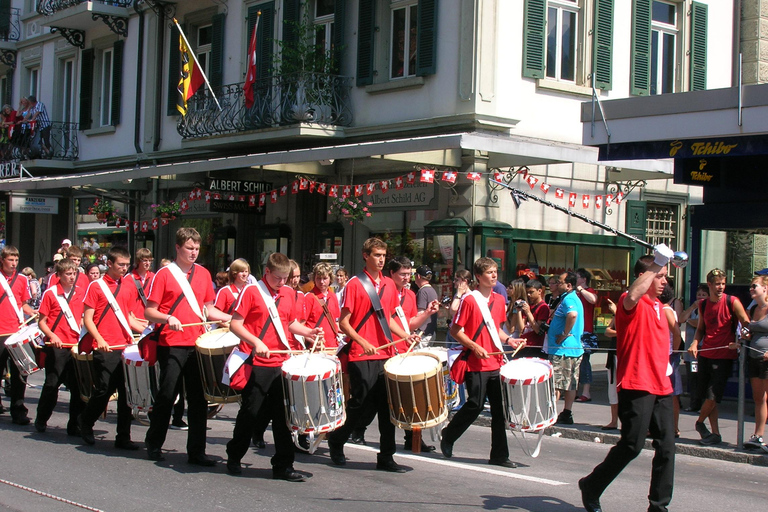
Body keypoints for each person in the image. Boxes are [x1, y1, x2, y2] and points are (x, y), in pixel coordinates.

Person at [579, 248, 676, 512]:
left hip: (662, 385)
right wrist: (657, 262)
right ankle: (592, 484)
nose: (664, 281)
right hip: (637, 382)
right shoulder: (629, 300)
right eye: (659, 276)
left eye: (665, 276)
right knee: (632, 445)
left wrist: (663, 262)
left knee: (667, 447)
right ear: (645, 276)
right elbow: (634, 294)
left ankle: (658, 507)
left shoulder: (659, 306)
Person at [225, 252, 323, 481]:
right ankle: (234, 454)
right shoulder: (251, 291)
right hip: (257, 362)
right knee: (250, 412)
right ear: (266, 272)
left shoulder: (289, 293)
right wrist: (256, 342)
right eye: (278, 277)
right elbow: (235, 324)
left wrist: (309, 332)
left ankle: (283, 465)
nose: (282, 282)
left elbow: (289, 323)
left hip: (282, 362)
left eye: (285, 278)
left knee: (284, 416)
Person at [327, 238, 420, 473]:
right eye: (376, 255)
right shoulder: (354, 284)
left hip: (386, 353)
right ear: (365, 255)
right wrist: (363, 342)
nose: (381, 259)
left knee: (387, 407)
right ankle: (336, 442)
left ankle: (386, 457)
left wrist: (406, 335)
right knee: (358, 404)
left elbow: (387, 318)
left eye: (383, 255)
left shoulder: (389, 285)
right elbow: (343, 323)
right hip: (361, 353)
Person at [143, 227, 232, 465]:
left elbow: (208, 308)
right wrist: (167, 318)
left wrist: (228, 318)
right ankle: (154, 443)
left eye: (196, 248)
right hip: (171, 344)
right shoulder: (163, 274)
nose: (193, 252)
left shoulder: (203, 274)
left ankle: (196, 451)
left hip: (197, 343)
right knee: (167, 395)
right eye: (189, 248)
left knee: (198, 399)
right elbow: (149, 310)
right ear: (178, 247)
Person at [440, 257, 523, 468]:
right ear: (478, 276)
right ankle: (449, 435)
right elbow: (455, 331)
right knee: (475, 404)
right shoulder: (470, 300)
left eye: (496, 271)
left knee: (499, 410)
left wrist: (510, 340)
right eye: (489, 272)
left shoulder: (498, 300)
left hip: (495, 362)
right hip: (476, 363)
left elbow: (497, 331)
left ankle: (499, 455)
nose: (494, 275)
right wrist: (475, 347)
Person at [77, 246, 145, 449]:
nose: (125, 268)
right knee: (104, 390)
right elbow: (87, 319)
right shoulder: (96, 286)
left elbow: (129, 317)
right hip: (104, 345)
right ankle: (86, 421)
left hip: (124, 344)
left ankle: (123, 437)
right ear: (109, 264)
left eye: (127, 265)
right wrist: (100, 339)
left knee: (126, 392)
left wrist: (147, 329)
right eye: (120, 265)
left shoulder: (130, 285)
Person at [688, 268, 749, 446]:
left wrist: (740, 340)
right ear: (709, 285)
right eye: (717, 284)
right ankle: (715, 433)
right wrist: (694, 343)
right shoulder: (703, 304)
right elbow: (701, 328)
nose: (721, 287)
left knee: (713, 396)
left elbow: (746, 324)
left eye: (723, 283)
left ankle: (699, 423)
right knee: (706, 395)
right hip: (706, 353)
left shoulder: (733, 301)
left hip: (724, 354)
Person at [387, 257, 439, 451]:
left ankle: (413, 438)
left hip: (403, 349)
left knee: (410, 396)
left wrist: (426, 313)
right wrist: (405, 336)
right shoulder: (385, 292)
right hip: (387, 347)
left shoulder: (410, 295)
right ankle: (358, 430)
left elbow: (409, 323)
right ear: (392, 274)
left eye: (409, 274)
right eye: (402, 274)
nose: (407, 278)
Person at [34, 259, 85, 435]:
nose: (72, 277)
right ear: (59, 275)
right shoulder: (50, 293)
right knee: (52, 383)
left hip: (75, 344)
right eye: (68, 274)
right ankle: (41, 419)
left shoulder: (81, 293)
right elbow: (41, 322)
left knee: (78, 387)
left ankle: (75, 424)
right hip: (57, 345)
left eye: (74, 274)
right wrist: (52, 335)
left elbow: (83, 318)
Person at [0, 246, 37, 423]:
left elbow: (22, 304)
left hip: (16, 331)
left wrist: (34, 312)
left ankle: (18, 409)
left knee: (21, 372)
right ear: (2, 260)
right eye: (10, 260)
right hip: (0, 332)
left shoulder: (22, 279)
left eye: (16, 260)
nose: (14, 264)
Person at [547, 271, 585, 425]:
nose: (558, 284)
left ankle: (552, 413)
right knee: (570, 383)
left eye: (560, 282)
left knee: (556, 382)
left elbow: (573, 315)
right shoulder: (571, 298)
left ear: (569, 285)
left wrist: (564, 333)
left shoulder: (569, 298)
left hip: (562, 349)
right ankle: (566, 412)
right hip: (573, 348)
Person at [742, 275, 768, 452]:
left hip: (766, 359)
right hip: (754, 357)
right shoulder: (753, 310)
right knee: (759, 398)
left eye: (754, 286)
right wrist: (746, 336)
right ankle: (757, 435)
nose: (751, 289)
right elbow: (751, 332)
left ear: (765, 289)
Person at [679, 284, 708, 412]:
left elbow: (700, 324)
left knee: (702, 377)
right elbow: (681, 318)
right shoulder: (694, 310)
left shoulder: (708, 309)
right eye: (699, 295)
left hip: (702, 350)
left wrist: (690, 321)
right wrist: (692, 307)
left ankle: (703, 404)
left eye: (703, 295)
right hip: (690, 353)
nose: (700, 297)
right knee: (693, 377)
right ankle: (694, 403)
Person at [660, 283, 683, 437]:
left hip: (667, 356)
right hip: (664, 355)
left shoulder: (666, 310)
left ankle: (674, 427)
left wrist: (672, 351)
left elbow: (676, 333)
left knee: (672, 392)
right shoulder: (664, 309)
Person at [575, 269, 598, 403]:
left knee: (584, 362)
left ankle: (586, 392)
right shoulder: (574, 293)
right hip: (575, 331)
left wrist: (581, 290)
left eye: (577, 277)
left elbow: (593, 300)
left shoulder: (589, 291)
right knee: (576, 363)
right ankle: (576, 390)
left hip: (585, 331)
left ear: (583, 279)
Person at [517, 279, 549, 358]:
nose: (528, 295)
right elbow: (522, 329)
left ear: (539, 291)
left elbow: (538, 331)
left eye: (531, 292)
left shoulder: (543, 307)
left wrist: (528, 312)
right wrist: (518, 311)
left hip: (535, 346)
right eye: (527, 292)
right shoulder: (529, 305)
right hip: (524, 344)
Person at [601, 300, 619, 431]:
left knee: (624, 389)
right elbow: (607, 331)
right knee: (612, 389)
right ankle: (614, 420)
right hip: (614, 354)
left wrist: (617, 313)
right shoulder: (618, 315)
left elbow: (630, 329)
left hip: (626, 355)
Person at [414, 265, 439, 337]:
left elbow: (420, 313)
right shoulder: (432, 290)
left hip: (422, 333)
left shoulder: (423, 291)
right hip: (430, 331)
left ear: (418, 276)